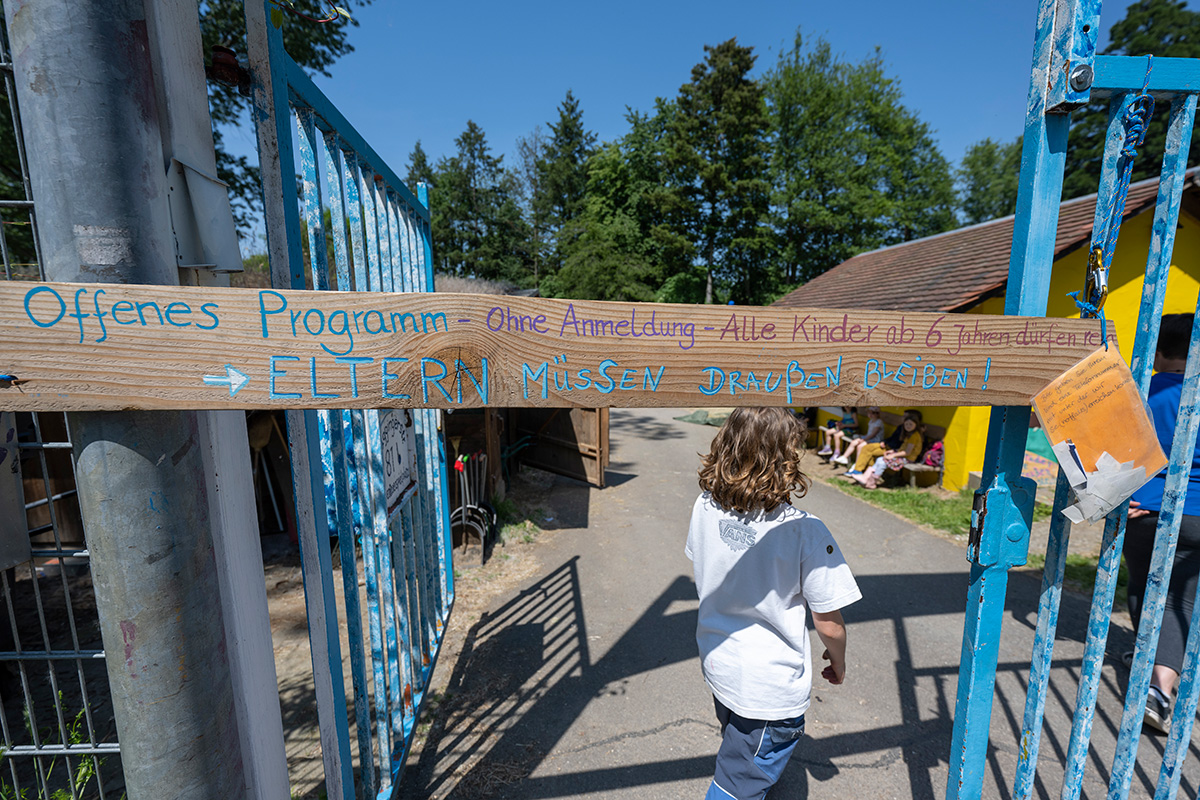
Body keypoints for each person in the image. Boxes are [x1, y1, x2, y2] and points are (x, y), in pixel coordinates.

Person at [686, 407, 862, 799]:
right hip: (767, 686)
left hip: (719, 663)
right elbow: (828, 621)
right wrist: (838, 660)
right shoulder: (805, 530)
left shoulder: (704, 506)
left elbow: (704, 565)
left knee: (739, 745)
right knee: (736, 785)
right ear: (787, 456)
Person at [1124, 313, 1200, 735]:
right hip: (1199, 516)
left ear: (1157, 351)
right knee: (1181, 601)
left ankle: (1154, 680)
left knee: (1143, 586)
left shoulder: (1142, 392)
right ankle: (1162, 680)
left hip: (1147, 508)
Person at [846, 410, 924, 489]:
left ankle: (872, 482)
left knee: (882, 462)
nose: (908, 425)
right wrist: (893, 451)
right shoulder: (908, 433)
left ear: (916, 423)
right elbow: (903, 448)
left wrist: (893, 454)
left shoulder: (913, 436)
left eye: (910, 424)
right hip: (900, 453)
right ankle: (865, 477)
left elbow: (907, 452)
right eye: (906, 423)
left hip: (907, 458)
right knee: (878, 458)